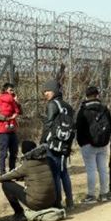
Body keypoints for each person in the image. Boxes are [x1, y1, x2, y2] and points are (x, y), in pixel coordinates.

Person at [0, 141, 57, 221]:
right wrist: (24, 177)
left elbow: (3, 178)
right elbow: (38, 176)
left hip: (36, 203)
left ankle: (19, 213)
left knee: (6, 185)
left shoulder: (27, 165)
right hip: (51, 201)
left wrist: (17, 177)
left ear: (23, 152)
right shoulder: (47, 160)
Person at [40, 79, 74, 209]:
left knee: (55, 173)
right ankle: (69, 201)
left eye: (48, 91)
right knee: (63, 171)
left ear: (54, 91)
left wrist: (42, 143)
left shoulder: (52, 104)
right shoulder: (67, 106)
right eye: (44, 91)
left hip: (54, 144)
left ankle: (58, 202)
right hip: (65, 143)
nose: (46, 94)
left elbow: (48, 125)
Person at [75, 86, 111, 203]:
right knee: (103, 169)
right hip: (103, 143)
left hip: (87, 144)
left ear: (86, 96)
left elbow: (79, 128)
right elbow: (110, 124)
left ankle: (91, 195)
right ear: (97, 95)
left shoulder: (83, 110)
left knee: (91, 170)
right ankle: (104, 193)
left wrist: (81, 142)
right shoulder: (104, 109)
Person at [0, 83, 22, 175]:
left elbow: (20, 112)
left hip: (12, 129)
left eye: (13, 90)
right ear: (6, 90)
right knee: (4, 152)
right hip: (3, 130)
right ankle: (2, 172)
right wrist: (8, 118)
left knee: (14, 151)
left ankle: (12, 170)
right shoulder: (0, 100)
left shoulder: (13, 101)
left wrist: (17, 103)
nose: (12, 91)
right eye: (11, 90)